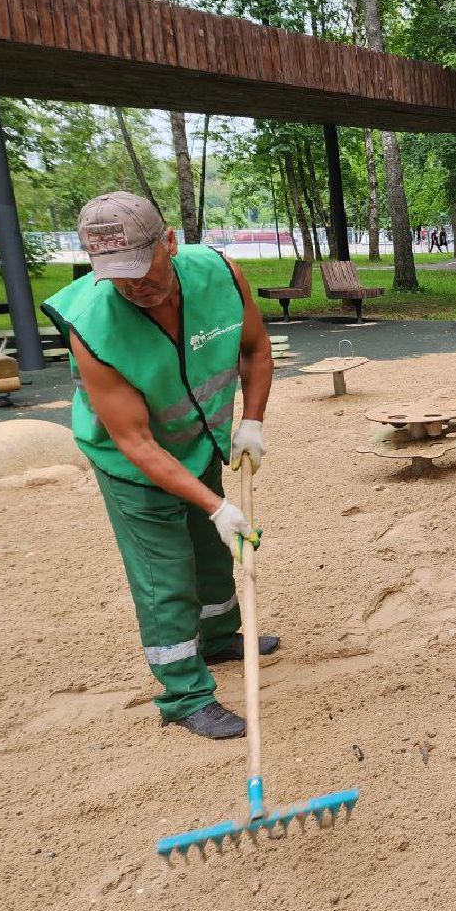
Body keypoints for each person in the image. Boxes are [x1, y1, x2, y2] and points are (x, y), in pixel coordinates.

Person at [41, 192, 275, 739]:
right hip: (135, 467)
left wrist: (253, 422)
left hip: (199, 442)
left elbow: (255, 348)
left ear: (169, 241)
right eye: (115, 275)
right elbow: (136, 442)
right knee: (165, 572)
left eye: (140, 267)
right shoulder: (91, 326)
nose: (132, 285)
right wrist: (218, 505)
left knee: (213, 555)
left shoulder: (220, 274)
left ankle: (218, 639)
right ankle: (186, 692)